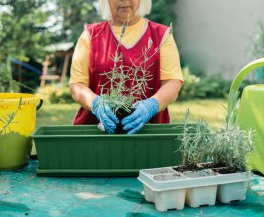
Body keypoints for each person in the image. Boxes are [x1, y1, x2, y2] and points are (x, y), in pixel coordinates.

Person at [69, 0, 183, 134]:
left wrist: (151, 105)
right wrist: (96, 104)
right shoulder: (91, 35)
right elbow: (77, 84)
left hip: (148, 130)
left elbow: (172, 81)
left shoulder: (162, 35)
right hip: (96, 131)